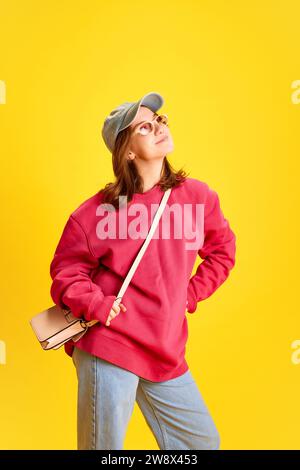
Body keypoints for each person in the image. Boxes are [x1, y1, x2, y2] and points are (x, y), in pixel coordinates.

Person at [49, 91, 236, 450]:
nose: (159, 128)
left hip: (164, 348)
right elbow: (66, 271)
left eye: (160, 121)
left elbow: (223, 250)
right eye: (145, 127)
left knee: (201, 444)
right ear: (128, 151)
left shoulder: (198, 197)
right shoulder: (97, 212)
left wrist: (190, 293)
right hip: (110, 343)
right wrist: (97, 304)